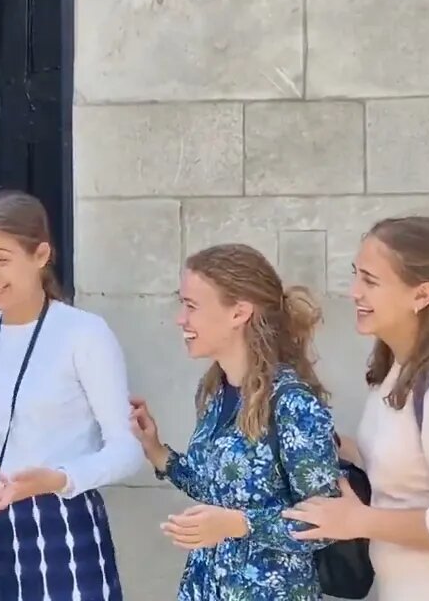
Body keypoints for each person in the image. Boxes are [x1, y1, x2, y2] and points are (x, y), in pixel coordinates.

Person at [0, 188, 143, 599]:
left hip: (66, 526)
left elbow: (127, 450)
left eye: (1, 259)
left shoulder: (84, 334)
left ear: (41, 255)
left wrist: (58, 479)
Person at [279, 217, 429, 600]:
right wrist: (326, 443)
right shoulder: (399, 371)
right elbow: (405, 470)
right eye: (356, 275)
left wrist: (357, 520)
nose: (354, 292)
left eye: (371, 281)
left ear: (422, 295)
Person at [128, 243, 342, 600]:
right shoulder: (214, 391)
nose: (181, 319)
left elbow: (326, 522)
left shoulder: (292, 404)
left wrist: (238, 524)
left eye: (192, 306)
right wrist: (157, 453)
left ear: (239, 313)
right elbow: (219, 492)